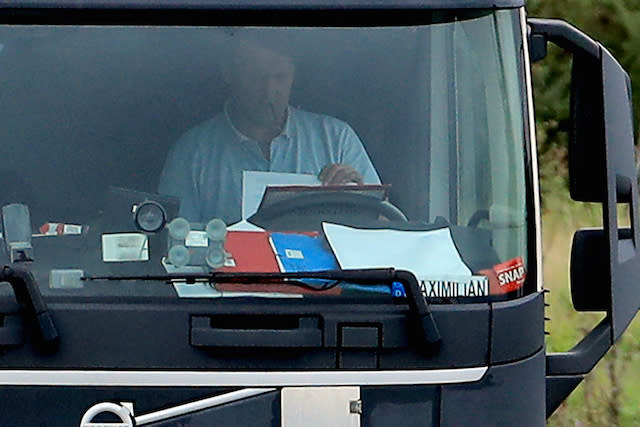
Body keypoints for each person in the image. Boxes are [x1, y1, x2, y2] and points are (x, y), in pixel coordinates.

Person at [158, 36, 381, 224]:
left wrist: (360, 197)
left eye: (280, 77)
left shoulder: (337, 139)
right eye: (257, 78)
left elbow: (388, 227)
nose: (269, 91)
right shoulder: (191, 153)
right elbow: (175, 244)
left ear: (293, 76)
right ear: (229, 73)